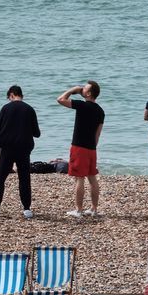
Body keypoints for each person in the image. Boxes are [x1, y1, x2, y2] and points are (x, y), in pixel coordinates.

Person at [0, 85, 41, 219]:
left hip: (8, 148)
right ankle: (27, 210)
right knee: (24, 179)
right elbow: (37, 133)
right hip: (24, 148)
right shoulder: (30, 109)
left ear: (11, 95)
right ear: (21, 95)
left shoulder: (6, 108)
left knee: (1, 179)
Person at [58, 81, 105, 218]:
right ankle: (94, 209)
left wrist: (73, 90)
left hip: (79, 147)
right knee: (92, 178)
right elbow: (98, 134)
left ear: (89, 93)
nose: (82, 89)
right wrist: (93, 147)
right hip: (91, 148)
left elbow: (60, 99)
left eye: (85, 88)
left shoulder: (82, 105)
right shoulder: (100, 111)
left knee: (79, 178)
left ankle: (78, 210)